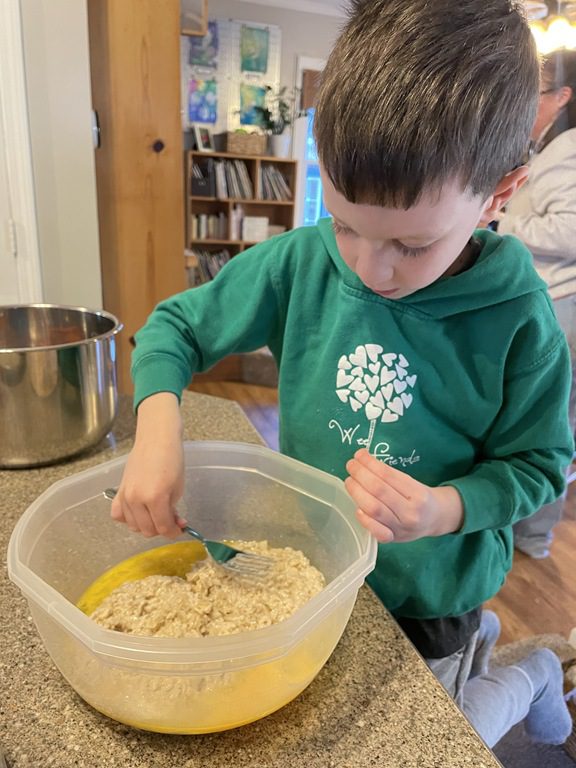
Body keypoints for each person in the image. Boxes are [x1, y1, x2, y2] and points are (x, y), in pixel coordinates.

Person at [111, 0, 574, 750]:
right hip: (317, 567)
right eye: (346, 222)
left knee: (431, 740)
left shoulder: (519, 319)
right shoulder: (303, 262)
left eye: (411, 245)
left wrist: (444, 509)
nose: (369, 268)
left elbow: (539, 465)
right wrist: (157, 427)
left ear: (499, 194)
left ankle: (530, 675)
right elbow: (176, 327)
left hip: (432, 592)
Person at [498, 49, 576, 559]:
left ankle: (534, 536)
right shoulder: (545, 146)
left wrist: (502, 221)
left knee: (552, 423)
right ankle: (519, 527)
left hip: (563, 302)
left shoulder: (568, 148)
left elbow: (570, 232)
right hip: (547, 298)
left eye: (535, 93)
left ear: (562, 96)